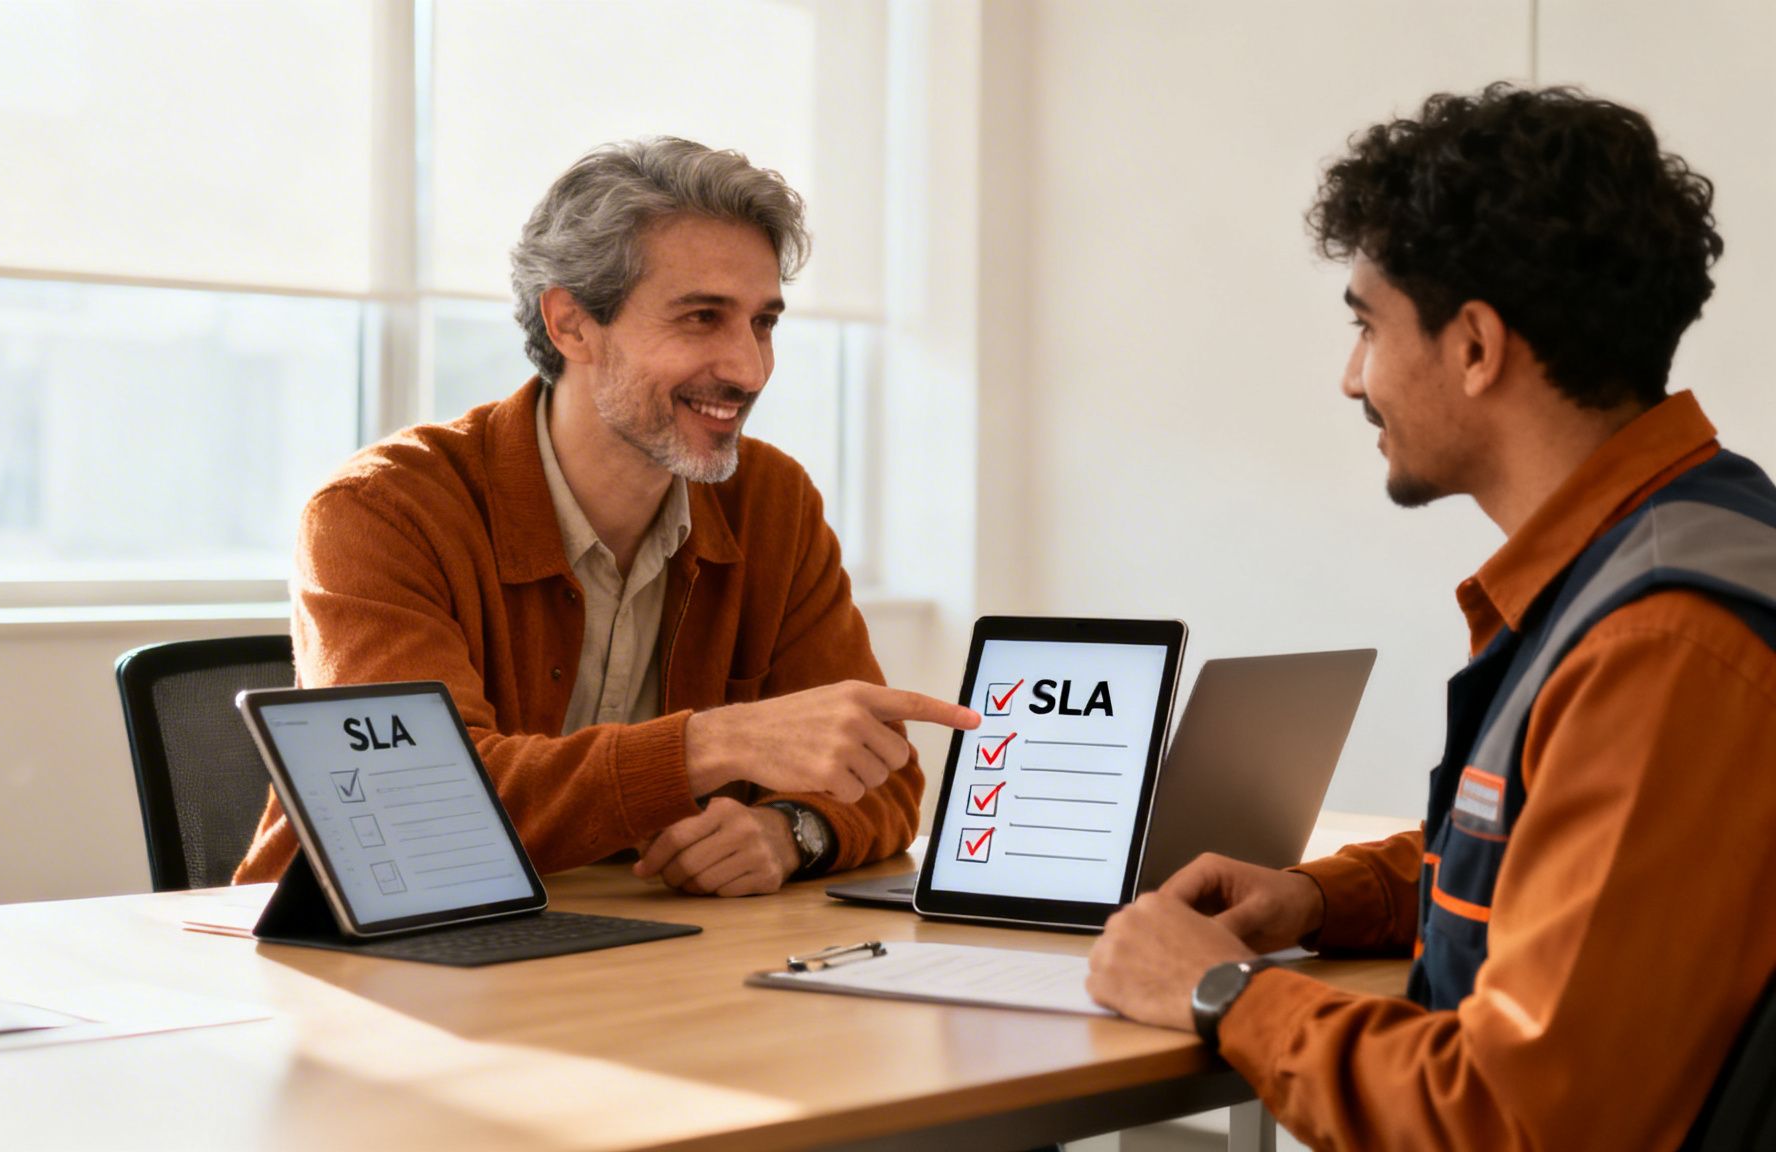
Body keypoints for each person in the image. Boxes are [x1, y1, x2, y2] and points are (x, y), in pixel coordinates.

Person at [1086, 84, 1776, 1147]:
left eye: (1365, 326)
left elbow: (1511, 1119)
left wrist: (1222, 992)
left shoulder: (1660, 644)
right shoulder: (1677, 545)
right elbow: (1554, 880)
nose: (1349, 377)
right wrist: (1316, 900)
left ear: (1472, 347)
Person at [235, 137, 978, 897]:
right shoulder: (381, 512)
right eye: (701, 317)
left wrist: (789, 832)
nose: (750, 369)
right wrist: (710, 746)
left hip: (630, 955)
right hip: (352, 961)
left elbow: (877, 774)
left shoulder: (772, 503)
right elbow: (414, 809)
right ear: (571, 324)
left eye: (762, 323)